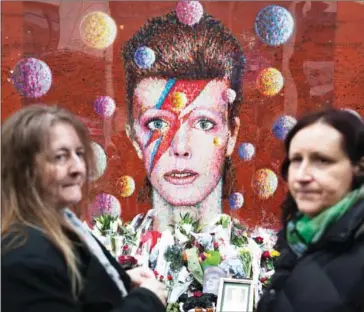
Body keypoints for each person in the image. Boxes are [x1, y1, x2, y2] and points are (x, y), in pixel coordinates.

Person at [1, 104, 167, 312]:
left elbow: (70, 283)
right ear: (23, 169)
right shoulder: (24, 256)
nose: (78, 168)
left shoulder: (56, 226)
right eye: (60, 157)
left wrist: (121, 281)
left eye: (79, 154)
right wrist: (146, 301)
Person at [122, 9, 245, 231]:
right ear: (134, 138)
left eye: (204, 124)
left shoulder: (262, 258)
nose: (180, 147)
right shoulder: (109, 253)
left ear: (232, 134)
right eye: (157, 124)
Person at [257, 108, 364, 312]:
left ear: (358, 167)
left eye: (322, 160)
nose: (302, 176)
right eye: (296, 160)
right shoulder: (298, 237)